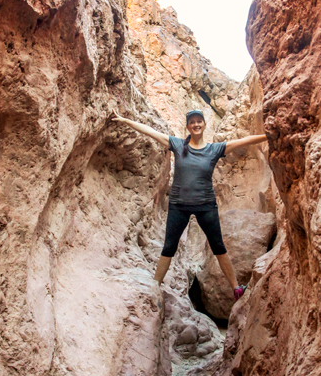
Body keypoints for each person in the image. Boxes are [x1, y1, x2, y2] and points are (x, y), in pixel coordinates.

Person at [112, 109, 268, 298]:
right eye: (192, 122)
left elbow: (244, 141)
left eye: (199, 121)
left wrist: (268, 135)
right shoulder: (178, 145)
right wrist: (125, 120)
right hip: (179, 205)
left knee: (218, 246)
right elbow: (150, 132)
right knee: (169, 247)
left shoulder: (214, 149)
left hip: (206, 206)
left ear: (204, 124)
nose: (196, 124)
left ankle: (236, 288)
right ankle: (154, 288)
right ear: (187, 126)